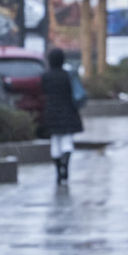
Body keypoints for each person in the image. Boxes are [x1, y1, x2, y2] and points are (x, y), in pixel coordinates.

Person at [41, 48, 83, 185]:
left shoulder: (46, 77)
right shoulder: (68, 75)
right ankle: (66, 163)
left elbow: (42, 91)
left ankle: (59, 171)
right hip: (68, 111)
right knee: (67, 141)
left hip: (52, 113)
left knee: (55, 142)